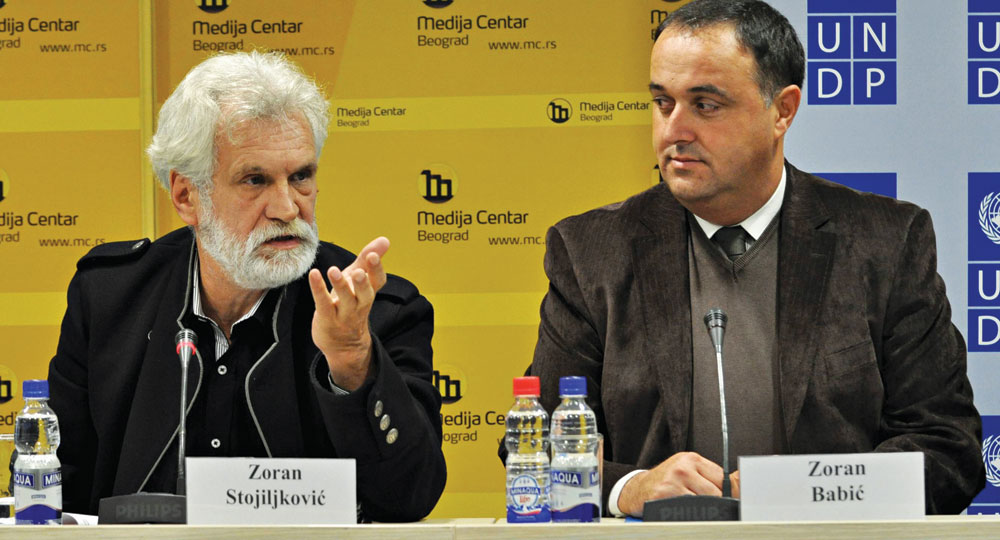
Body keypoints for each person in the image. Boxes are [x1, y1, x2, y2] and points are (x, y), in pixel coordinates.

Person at [527, 0, 983, 517]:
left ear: (782, 110)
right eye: (662, 102)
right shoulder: (590, 251)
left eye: (705, 105)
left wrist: (805, 490)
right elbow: (535, 446)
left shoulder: (885, 242)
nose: (674, 130)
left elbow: (948, 449)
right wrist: (630, 488)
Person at [47, 51, 446, 522]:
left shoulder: (371, 311)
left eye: (301, 177)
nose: (287, 208)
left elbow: (411, 498)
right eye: (255, 180)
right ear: (187, 196)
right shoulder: (109, 300)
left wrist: (352, 359)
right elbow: (54, 493)